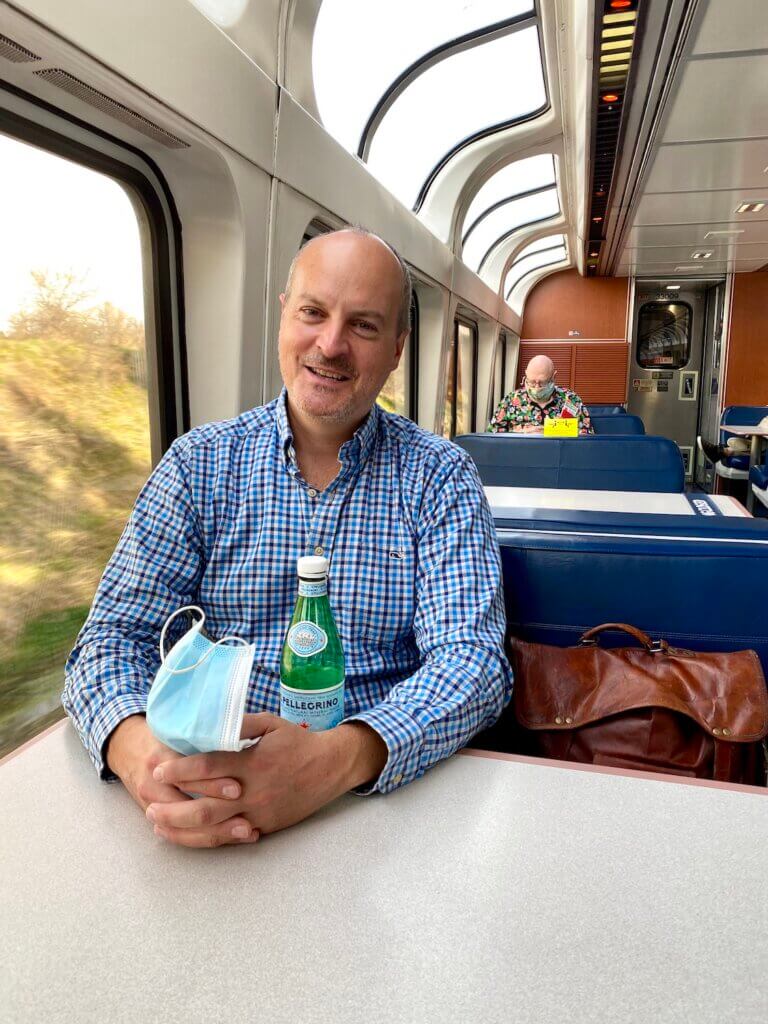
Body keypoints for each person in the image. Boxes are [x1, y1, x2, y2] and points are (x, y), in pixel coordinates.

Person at [63, 227, 511, 849]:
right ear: (283, 315)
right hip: (199, 791)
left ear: (398, 347)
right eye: (313, 312)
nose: (330, 345)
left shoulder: (440, 478)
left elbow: (473, 664)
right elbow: (111, 638)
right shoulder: (198, 465)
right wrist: (141, 755)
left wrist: (337, 760)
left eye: (363, 325)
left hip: (371, 812)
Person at [488, 355, 593, 434]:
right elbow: (492, 436)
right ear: (525, 375)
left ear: (553, 377)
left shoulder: (571, 400)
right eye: (532, 382)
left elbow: (587, 437)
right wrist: (522, 433)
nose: (536, 388)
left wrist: (548, 431)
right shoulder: (510, 401)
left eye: (542, 382)